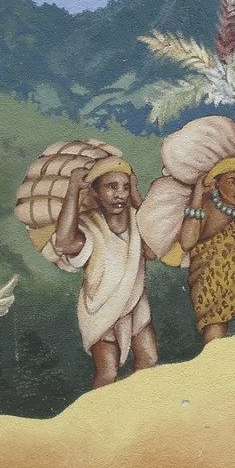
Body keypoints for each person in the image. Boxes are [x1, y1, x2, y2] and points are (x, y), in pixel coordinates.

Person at [46, 157, 159, 389]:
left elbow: (153, 249)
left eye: (125, 187)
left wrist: (137, 195)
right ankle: (101, 420)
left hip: (134, 303)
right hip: (100, 307)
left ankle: (140, 410)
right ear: (95, 193)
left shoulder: (138, 221)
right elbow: (64, 242)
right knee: (108, 372)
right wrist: (73, 191)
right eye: (111, 187)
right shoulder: (89, 225)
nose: (120, 194)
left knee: (149, 359)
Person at [177, 158, 235, 344]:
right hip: (211, 278)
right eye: (232, 181)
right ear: (217, 182)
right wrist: (197, 196)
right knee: (215, 334)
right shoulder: (206, 205)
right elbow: (187, 243)